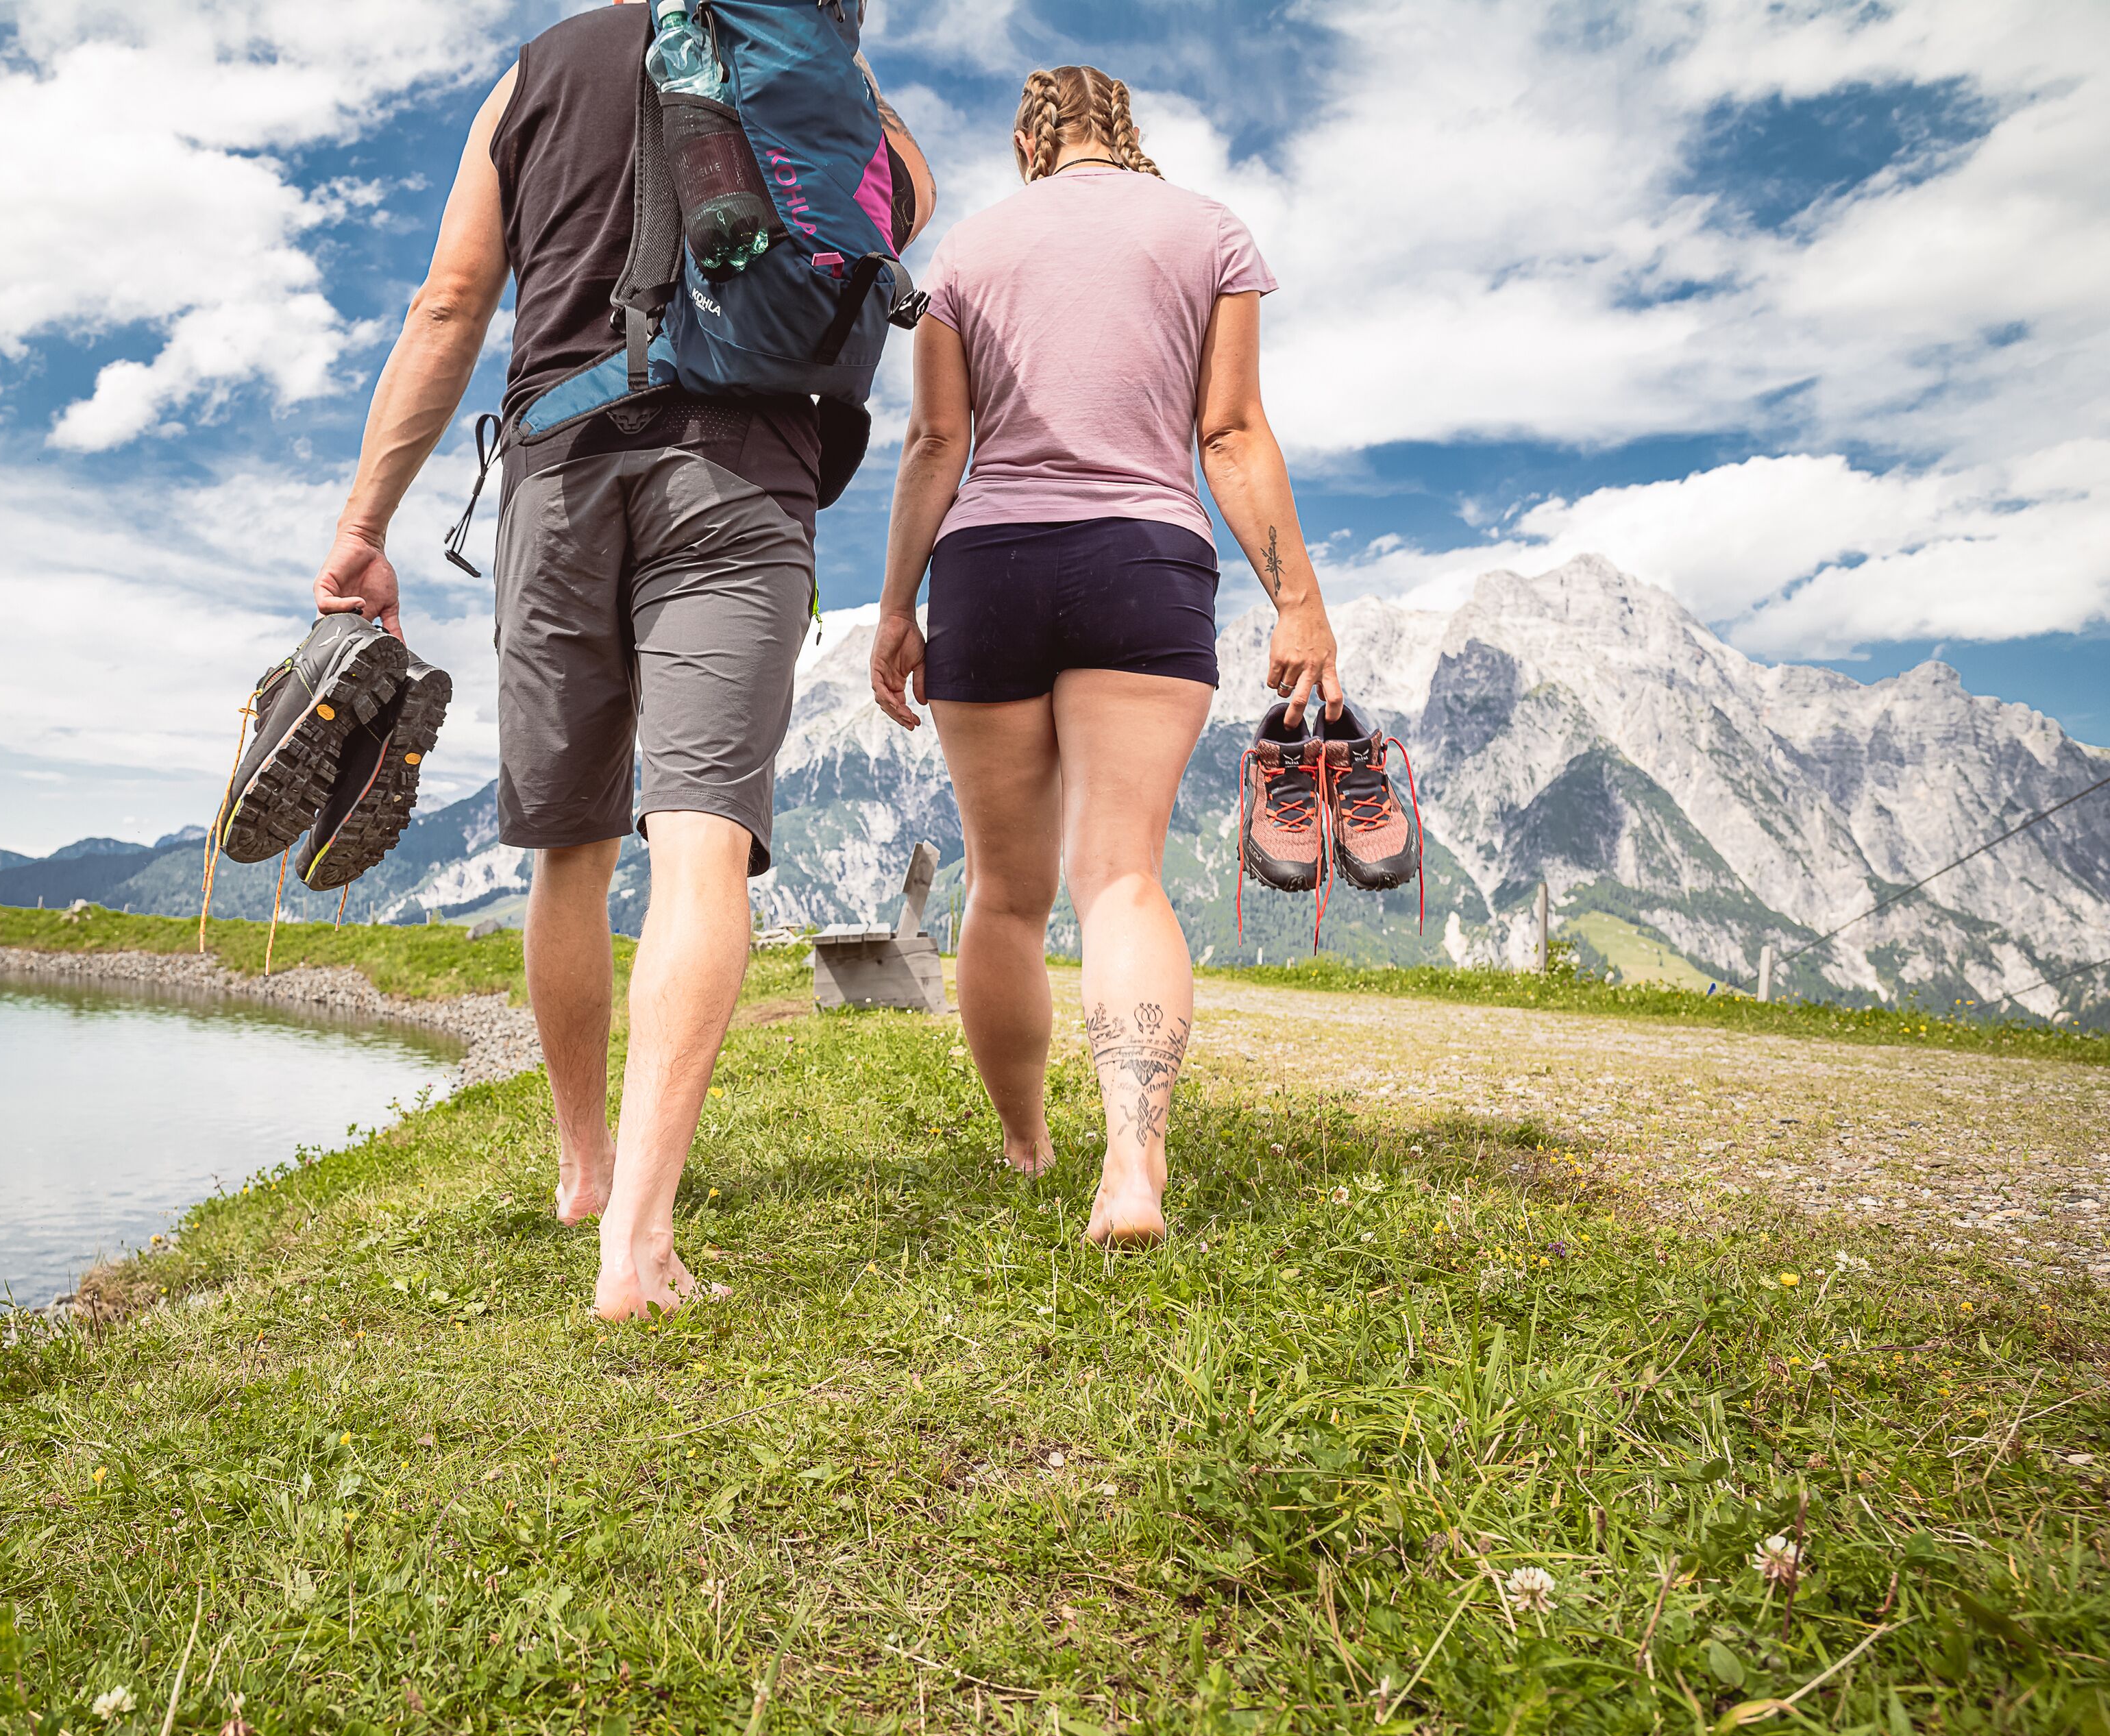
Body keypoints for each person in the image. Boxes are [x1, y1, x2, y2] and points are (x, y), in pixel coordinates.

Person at [308, 1, 933, 1316]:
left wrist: (366, 527)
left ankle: (585, 1165)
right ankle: (638, 1247)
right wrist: (827, 73)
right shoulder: (819, 70)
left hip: (557, 470)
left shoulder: (529, 78)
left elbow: (450, 302)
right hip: (743, 472)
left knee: (572, 849)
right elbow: (897, 216)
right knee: (701, 838)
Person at [870, 64, 1351, 1247]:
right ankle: (1131, 1173)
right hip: (1146, 557)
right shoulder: (1208, 233)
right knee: (1122, 875)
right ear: (1125, 131)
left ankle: (1028, 1147)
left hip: (990, 566)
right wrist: (1299, 596)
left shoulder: (970, 254)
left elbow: (939, 440)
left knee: (1007, 891)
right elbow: (1229, 433)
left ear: (1031, 141)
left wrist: (895, 608)